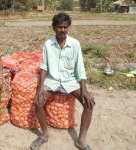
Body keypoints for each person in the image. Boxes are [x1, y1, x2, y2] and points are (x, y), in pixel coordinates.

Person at [31, 12, 95, 150]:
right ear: (54, 28)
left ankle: (81, 140)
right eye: (60, 27)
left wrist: (85, 90)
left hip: (69, 80)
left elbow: (80, 68)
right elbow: (44, 67)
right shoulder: (48, 44)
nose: (63, 30)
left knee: (89, 104)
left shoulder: (75, 44)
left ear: (68, 27)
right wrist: (40, 88)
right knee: (37, 103)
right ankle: (44, 134)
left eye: (65, 27)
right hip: (53, 80)